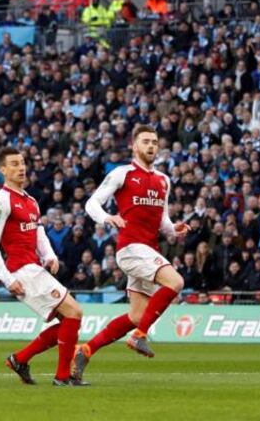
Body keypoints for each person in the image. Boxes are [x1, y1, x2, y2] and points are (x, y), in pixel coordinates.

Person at [75, 125, 190, 380]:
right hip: (130, 248)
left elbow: (162, 221)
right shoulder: (122, 173)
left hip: (148, 251)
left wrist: (174, 229)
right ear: (134, 146)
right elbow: (91, 203)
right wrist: (108, 218)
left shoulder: (163, 180)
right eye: (146, 141)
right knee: (176, 281)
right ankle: (139, 336)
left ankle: (85, 350)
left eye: (155, 142)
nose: (151, 146)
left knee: (137, 316)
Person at [0, 149, 87, 386]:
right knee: (75, 312)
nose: (20, 168)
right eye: (14, 164)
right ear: (3, 170)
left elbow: (38, 231)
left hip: (35, 267)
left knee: (68, 322)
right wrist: (7, 279)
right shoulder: (1, 201)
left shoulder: (30, 200)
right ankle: (62, 377)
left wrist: (50, 255)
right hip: (22, 271)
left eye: (22, 163)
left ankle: (20, 359)